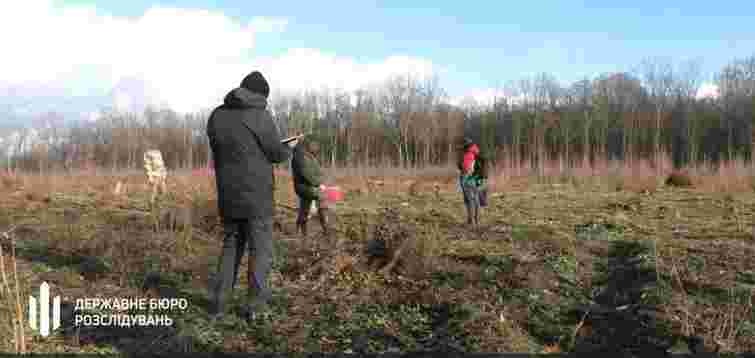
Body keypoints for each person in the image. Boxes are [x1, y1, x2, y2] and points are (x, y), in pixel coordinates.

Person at [206, 70, 298, 321]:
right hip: (257, 198)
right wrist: (288, 147)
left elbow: (223, 151)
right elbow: (275, 154)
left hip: (228, 195)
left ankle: (218, 306)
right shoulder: (260, 115)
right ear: (261, 95)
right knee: (260, 251)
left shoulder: (216, 116)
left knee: (230, 248)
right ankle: (255, 308)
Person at [291, 137, 331, 237]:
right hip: (303, 187)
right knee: (322, 196)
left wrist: (321, 181)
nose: (316, 147)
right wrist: (319, 184)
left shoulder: (309, 156)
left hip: (308, 186)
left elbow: (317, 172)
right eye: (314, 144)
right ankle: (326, 228)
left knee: (305, 207)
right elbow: (306, 173)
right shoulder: (300, 156)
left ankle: (301, 230)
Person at [458, 138, 484, 227]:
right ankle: (476, 220)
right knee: (475, 199)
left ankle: (471, 221)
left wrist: (461, 166)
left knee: (469, 200)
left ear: (466, 146)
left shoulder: (468, 154)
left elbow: (465, 167)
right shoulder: (476, 152)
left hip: (468, 177)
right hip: (476, 177)